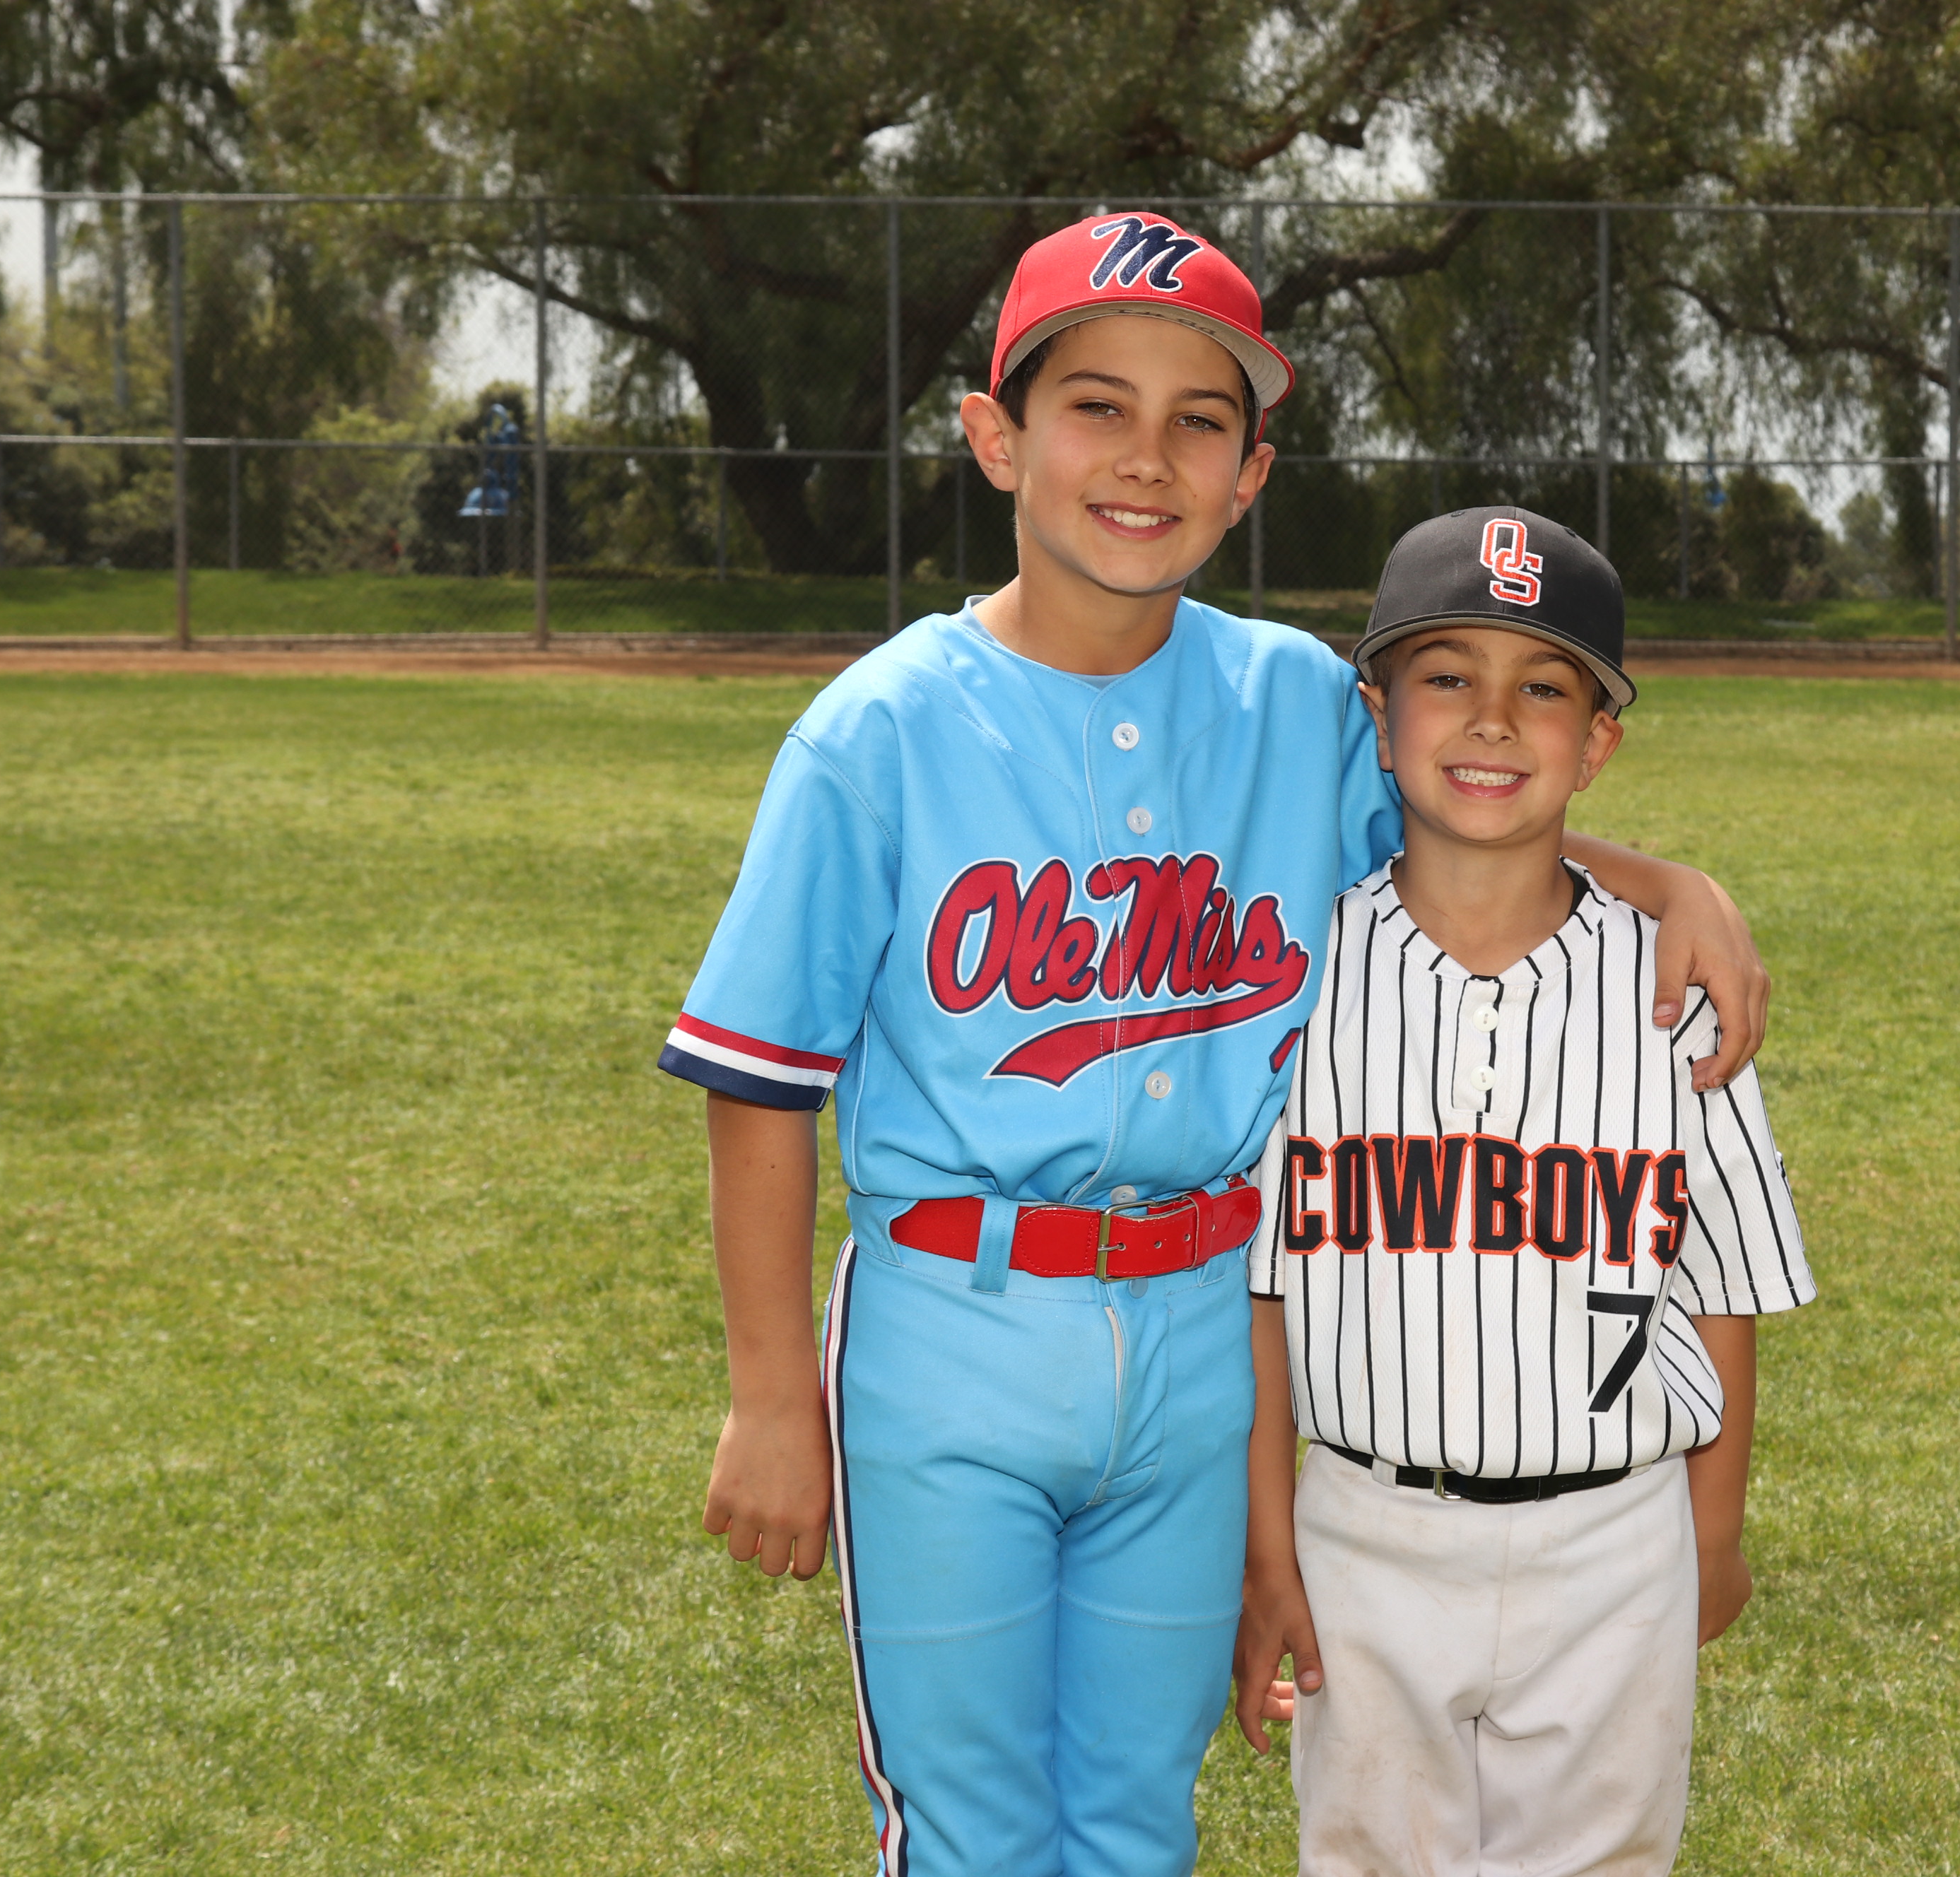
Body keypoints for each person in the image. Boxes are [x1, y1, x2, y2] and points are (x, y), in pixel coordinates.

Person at [657, 217, 1773, 1877]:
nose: (1146, 457)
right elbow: (763, 1078)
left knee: (1134, 1817)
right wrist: (768, 1396)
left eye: (1199, 421)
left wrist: (1671, 882)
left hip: (1200, 1331)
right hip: (954, 1320)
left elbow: (1469, 826)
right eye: (1096, 406)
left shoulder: (1294, 702)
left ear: (1249, 475)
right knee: (969, 1826)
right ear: (995, 435)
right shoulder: (876, 730)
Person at [1233, 508, 1816, 1876]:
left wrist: (1713, 1531)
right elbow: (1255, 1295)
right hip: (1366, 1520)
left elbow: (1724, 1282)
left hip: (1617, 1533)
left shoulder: (1672, 987)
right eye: (1447, 676)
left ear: (1597, 742)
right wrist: (1267, 1550)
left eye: (1543, 688)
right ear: (1377, 720)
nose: (1493, 720)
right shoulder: (1293, 980)